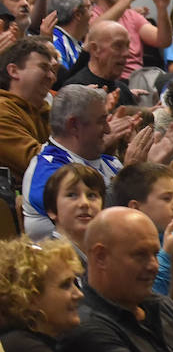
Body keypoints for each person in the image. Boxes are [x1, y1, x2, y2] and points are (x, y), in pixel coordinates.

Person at [60, 208, 173, 352]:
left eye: (155, 254)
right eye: (140, 255)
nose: (154, 265)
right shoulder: (90, 328)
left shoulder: (161, 305)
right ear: (101, 257)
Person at [22, 84, 123, 240]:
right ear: (74, 125)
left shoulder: (112, 163)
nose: (108, 129)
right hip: (63, 261)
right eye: (101, 121)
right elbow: (97, 221)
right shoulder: (46, 170)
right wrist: (130, 178)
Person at [0, 37, 56, 177]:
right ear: (13, 71)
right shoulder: (2, 110)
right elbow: (35, 162)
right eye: (43, 67)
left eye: (52, 70)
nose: (51, 77)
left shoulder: (46, 112)